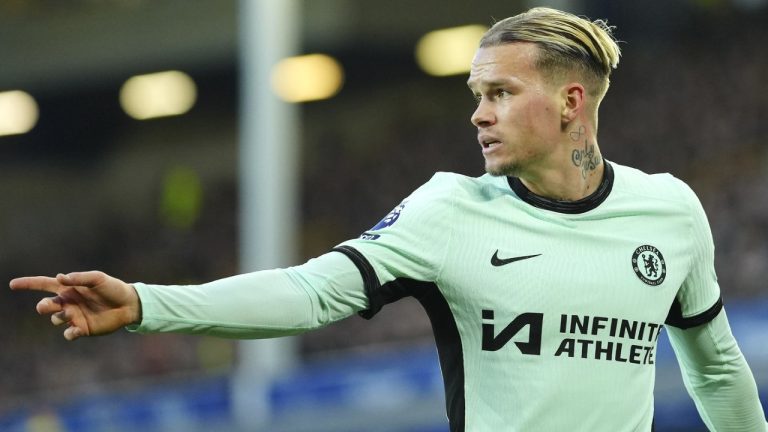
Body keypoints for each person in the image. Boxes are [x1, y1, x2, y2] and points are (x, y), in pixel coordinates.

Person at [9, 7, 767, 432]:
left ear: (571, 103)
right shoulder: (449, 209)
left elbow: (719, 369)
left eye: (500, 92)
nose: (478, 113)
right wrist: (148, 304)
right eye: (476, 92)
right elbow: (312, 292)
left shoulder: (669, 211)